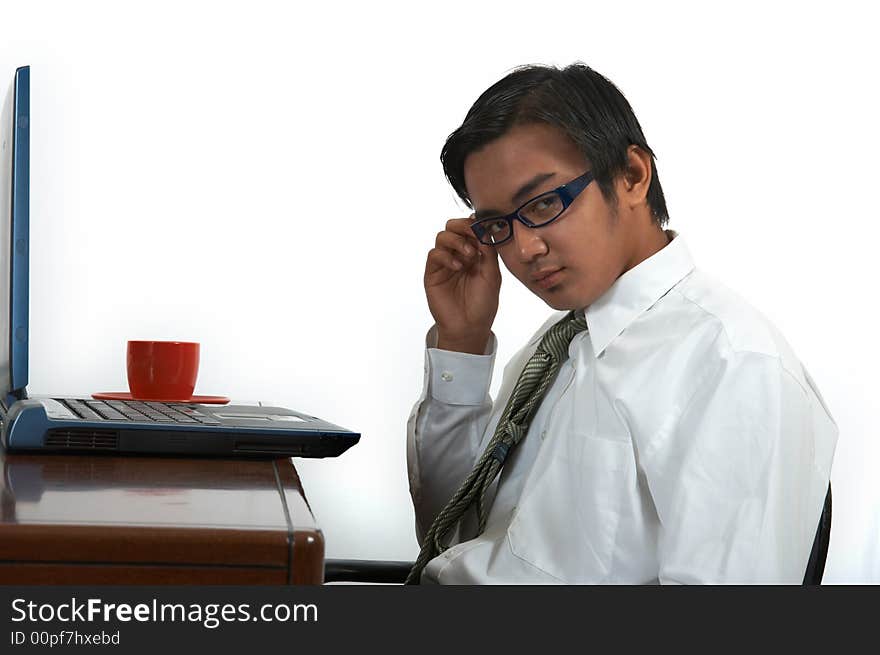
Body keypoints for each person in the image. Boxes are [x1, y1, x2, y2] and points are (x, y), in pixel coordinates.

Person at [405, 63, 837, 584]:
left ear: (632, 176)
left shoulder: (731, 365)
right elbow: (447, 533)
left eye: (543, 203)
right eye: (498, 225)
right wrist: (463, 341)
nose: (524, 249)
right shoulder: (559, 343)